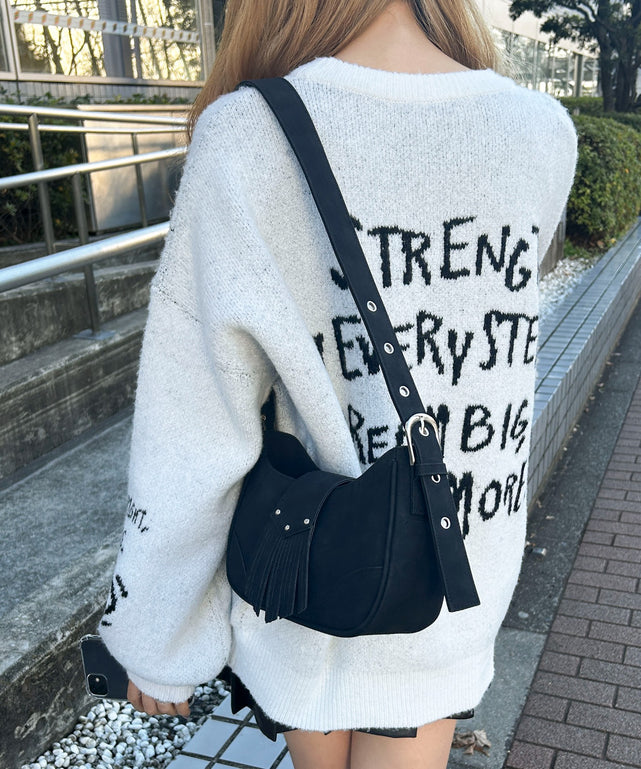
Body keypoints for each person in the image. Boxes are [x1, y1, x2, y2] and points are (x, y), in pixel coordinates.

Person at [97, 1, 579, 767]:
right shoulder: (540, 131)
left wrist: (157, 636)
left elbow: (194, 420)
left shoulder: (248, 134)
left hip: (304, 565)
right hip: (450, 576)